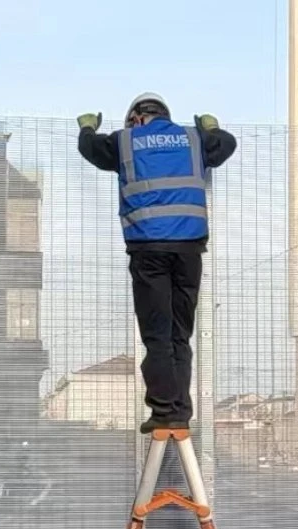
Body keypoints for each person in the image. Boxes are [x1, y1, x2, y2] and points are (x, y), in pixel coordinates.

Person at [77, 93, 237, 433]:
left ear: (136, 118)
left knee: (157, 334)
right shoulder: (193, 140)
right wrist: (211, 126)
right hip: (190, 249)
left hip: (148, 248)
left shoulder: (125, 142)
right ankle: (180, 408)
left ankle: (164, 409)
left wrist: (88, 127)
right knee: (180, 333)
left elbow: (90, 150)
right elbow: (226, 145)